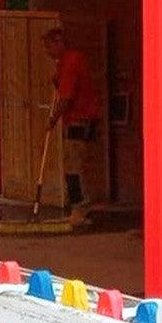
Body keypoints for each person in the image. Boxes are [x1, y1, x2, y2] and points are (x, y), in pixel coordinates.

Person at [43, 28, 100, 222]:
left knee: (73, 166)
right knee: (76, 164)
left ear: (59, 43)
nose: (47, 51)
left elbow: (66, 98)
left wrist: (53, 118)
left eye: (49, 46)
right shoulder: (70, 62)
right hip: (83, 119)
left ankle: (79, 208)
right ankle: (80, 206)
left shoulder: (70, 63)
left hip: (79, 120)